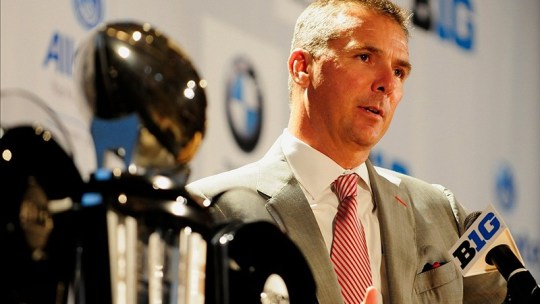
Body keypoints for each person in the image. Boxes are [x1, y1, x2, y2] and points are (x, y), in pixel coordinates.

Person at [186, 0, 507, 303]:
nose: (387, 84)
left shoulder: (440, 210)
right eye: (365, 57)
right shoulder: (209, 210)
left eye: (399, 71)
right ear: (302, 67)